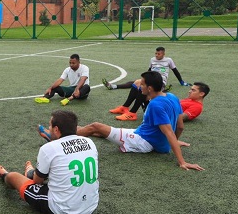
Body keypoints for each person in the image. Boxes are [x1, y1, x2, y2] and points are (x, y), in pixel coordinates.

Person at [76, 71, 204, 171]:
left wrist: (182, 162)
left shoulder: (155, 105)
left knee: (95, 126)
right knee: (101, 132)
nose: (139, 85)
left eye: (142, 84)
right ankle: (73, 130)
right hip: (145, 135)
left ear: (150, 88)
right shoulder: (172, 97)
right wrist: (172, 143)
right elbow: (180, 126)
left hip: (143, 141)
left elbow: (169, 132)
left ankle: (61, 136)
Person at [0, 110, 99, 214]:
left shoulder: (48, 149)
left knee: (13, 176)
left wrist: (35, 174)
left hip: (63, 210)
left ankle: (4, 174)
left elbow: (37, 182)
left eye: (50, 125)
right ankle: (31, 172)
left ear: (56, 129)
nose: (49, 127)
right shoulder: (90, 142)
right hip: (91, 206)